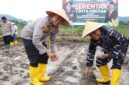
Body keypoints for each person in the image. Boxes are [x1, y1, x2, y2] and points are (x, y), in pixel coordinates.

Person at [21, 9, 70, 85]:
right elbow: (35, 40)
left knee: (44, 56)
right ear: (52, 15)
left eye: (60, 21)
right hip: (28, 36)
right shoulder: (43, 22)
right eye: (57, 18)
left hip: (39, 39)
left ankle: (41, 76)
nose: (58, 21)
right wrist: (48, 51)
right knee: (35, 57)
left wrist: (53, 52)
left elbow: (53, 41)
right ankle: (34, 80)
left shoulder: (55, 27)